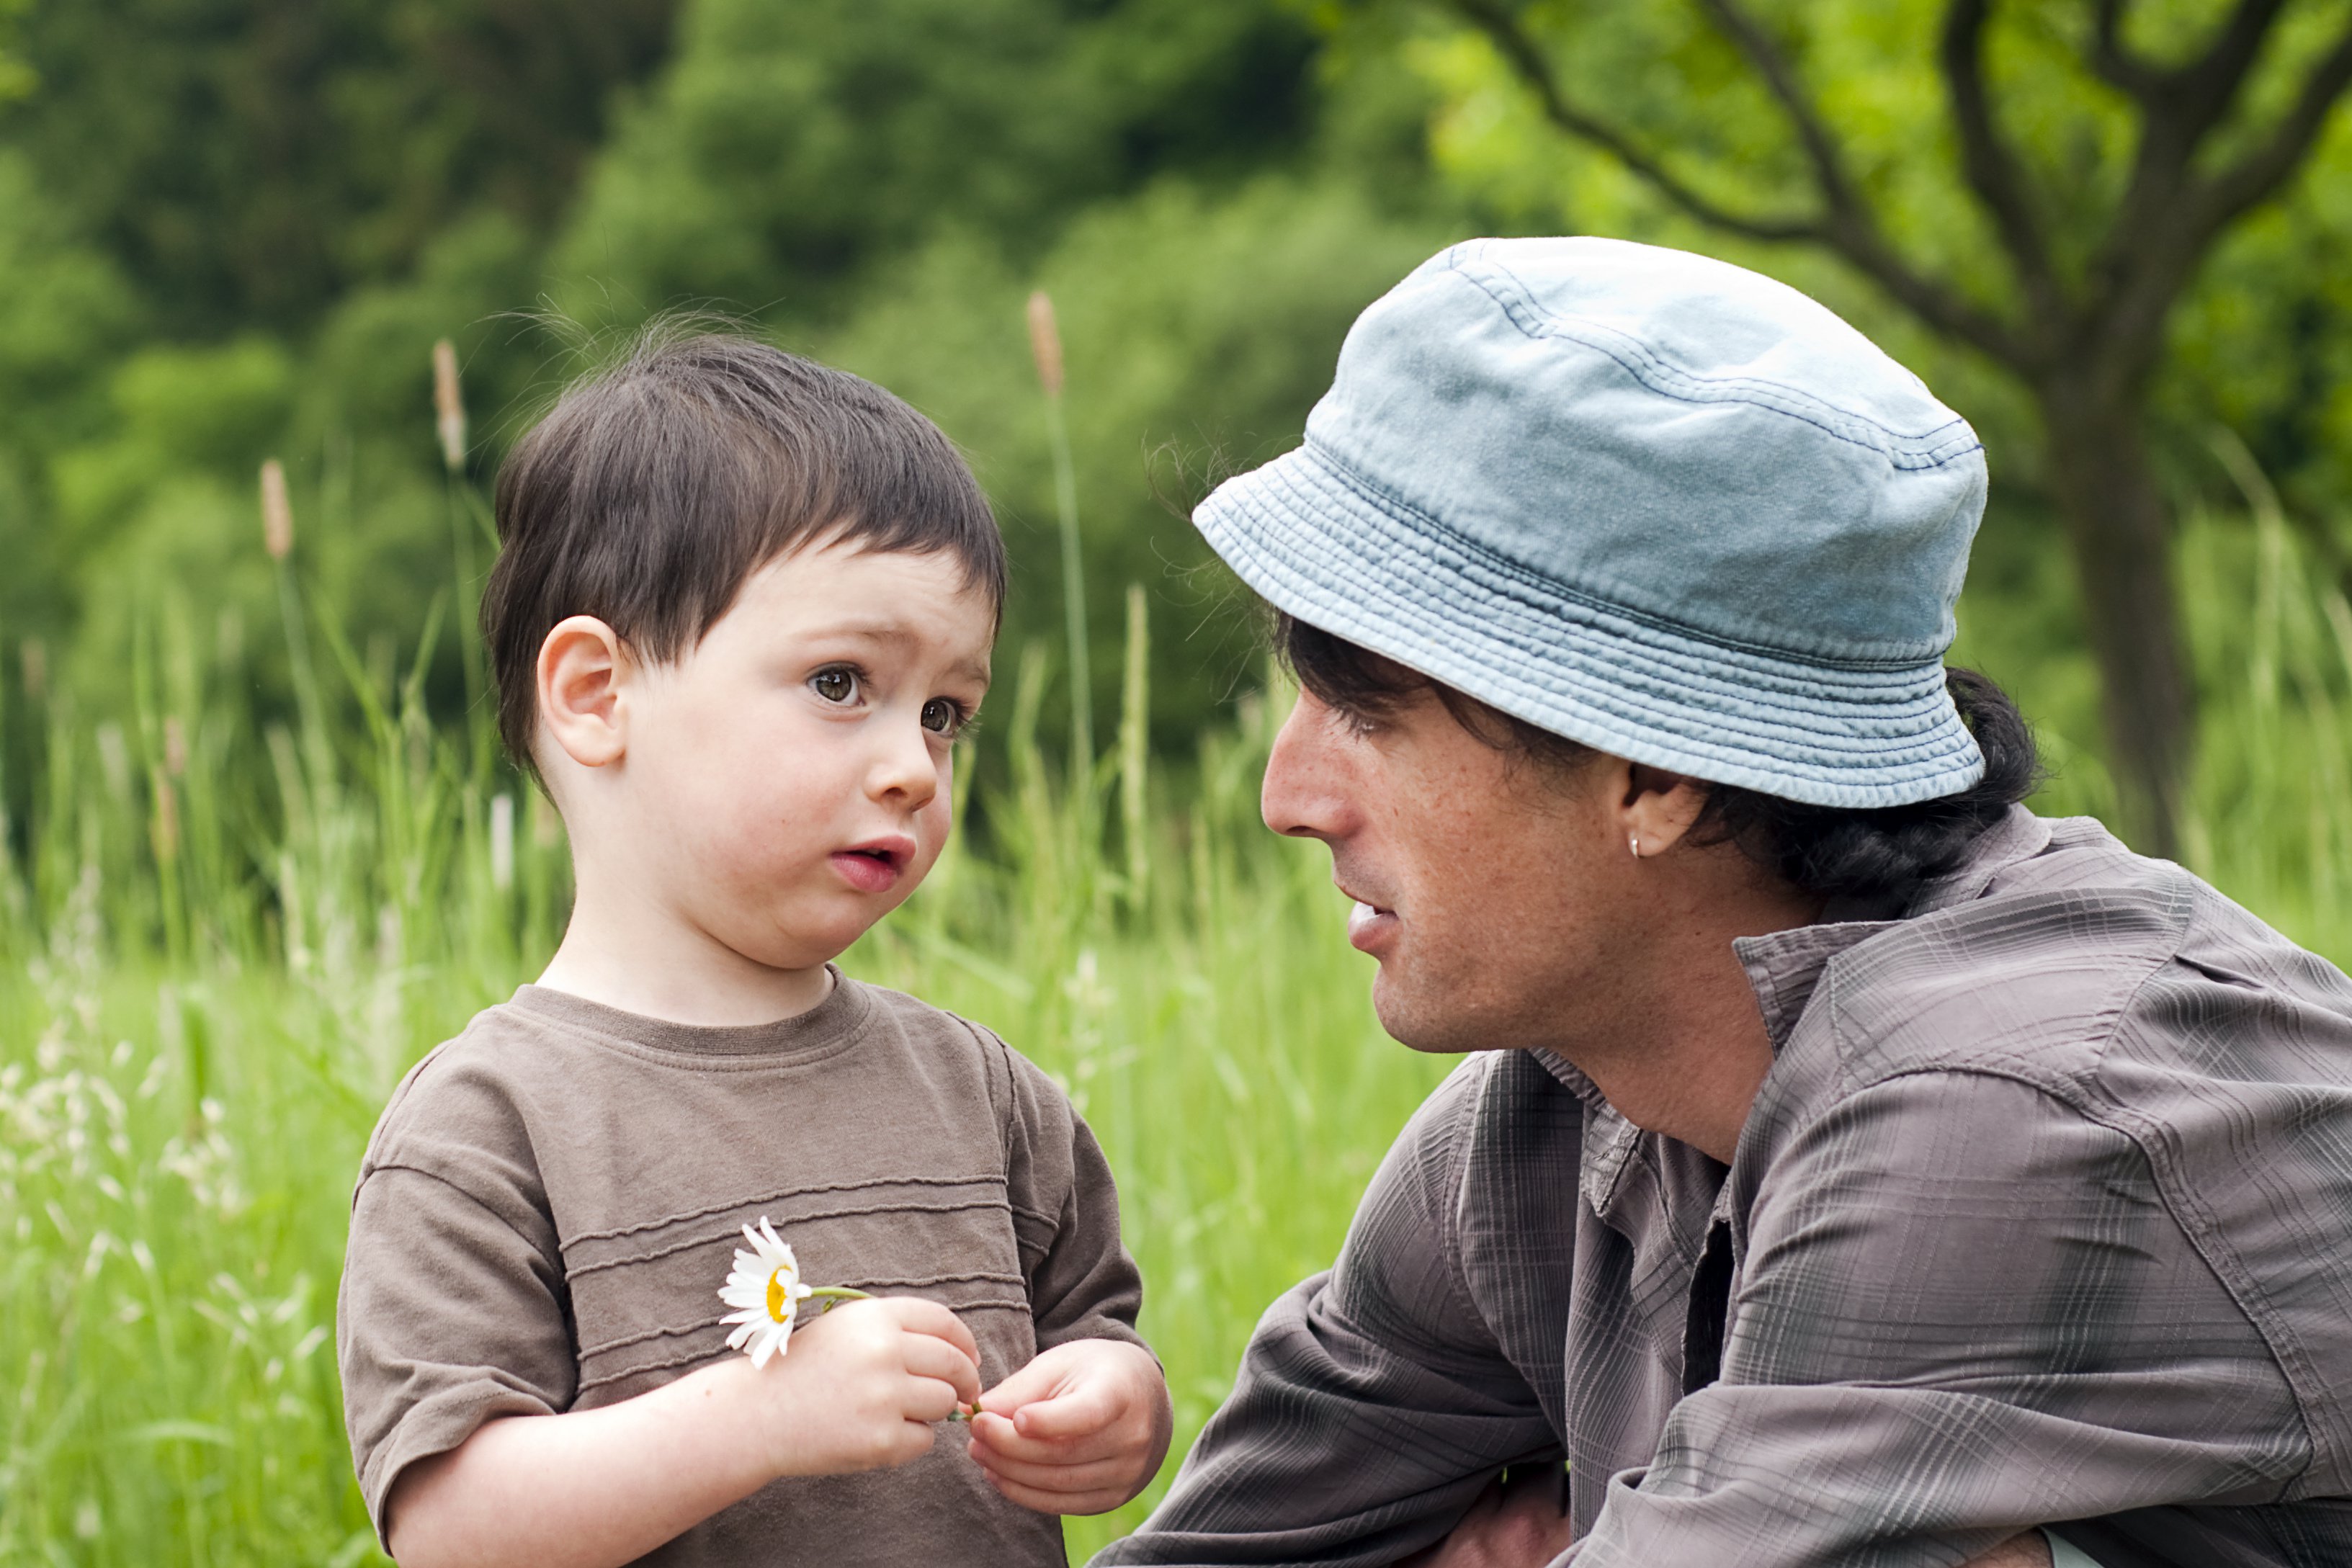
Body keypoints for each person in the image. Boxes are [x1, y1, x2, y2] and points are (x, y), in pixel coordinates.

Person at [1096, 238, 2352, 1567]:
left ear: (1656, 774)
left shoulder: (1998, 1111)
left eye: (1363, 707)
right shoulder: (1557, 1106)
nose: (1285, 795)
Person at [336, 333, 1171, 1568]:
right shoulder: (488, 1128)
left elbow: (1091, 1328)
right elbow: (455, 1529)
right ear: (595, 693)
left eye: (945, 712)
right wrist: (760, 1417)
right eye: (841, 681)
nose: (912, 764)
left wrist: (1114, 1404)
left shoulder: (979, 1090)